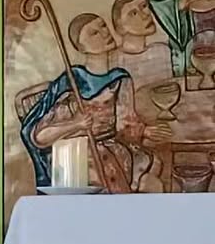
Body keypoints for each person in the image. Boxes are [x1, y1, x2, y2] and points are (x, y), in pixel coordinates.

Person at [20, 13, 171, 191]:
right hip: (79, 159)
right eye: (94, 33)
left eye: (103, 26)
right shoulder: (73, 82)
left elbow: (125, 124)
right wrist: (76, 124)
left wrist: (144, 131)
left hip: (115, 150)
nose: (105, 33)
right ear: (80, 47)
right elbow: (40, 137)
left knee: (153, 177)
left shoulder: (120, 78)